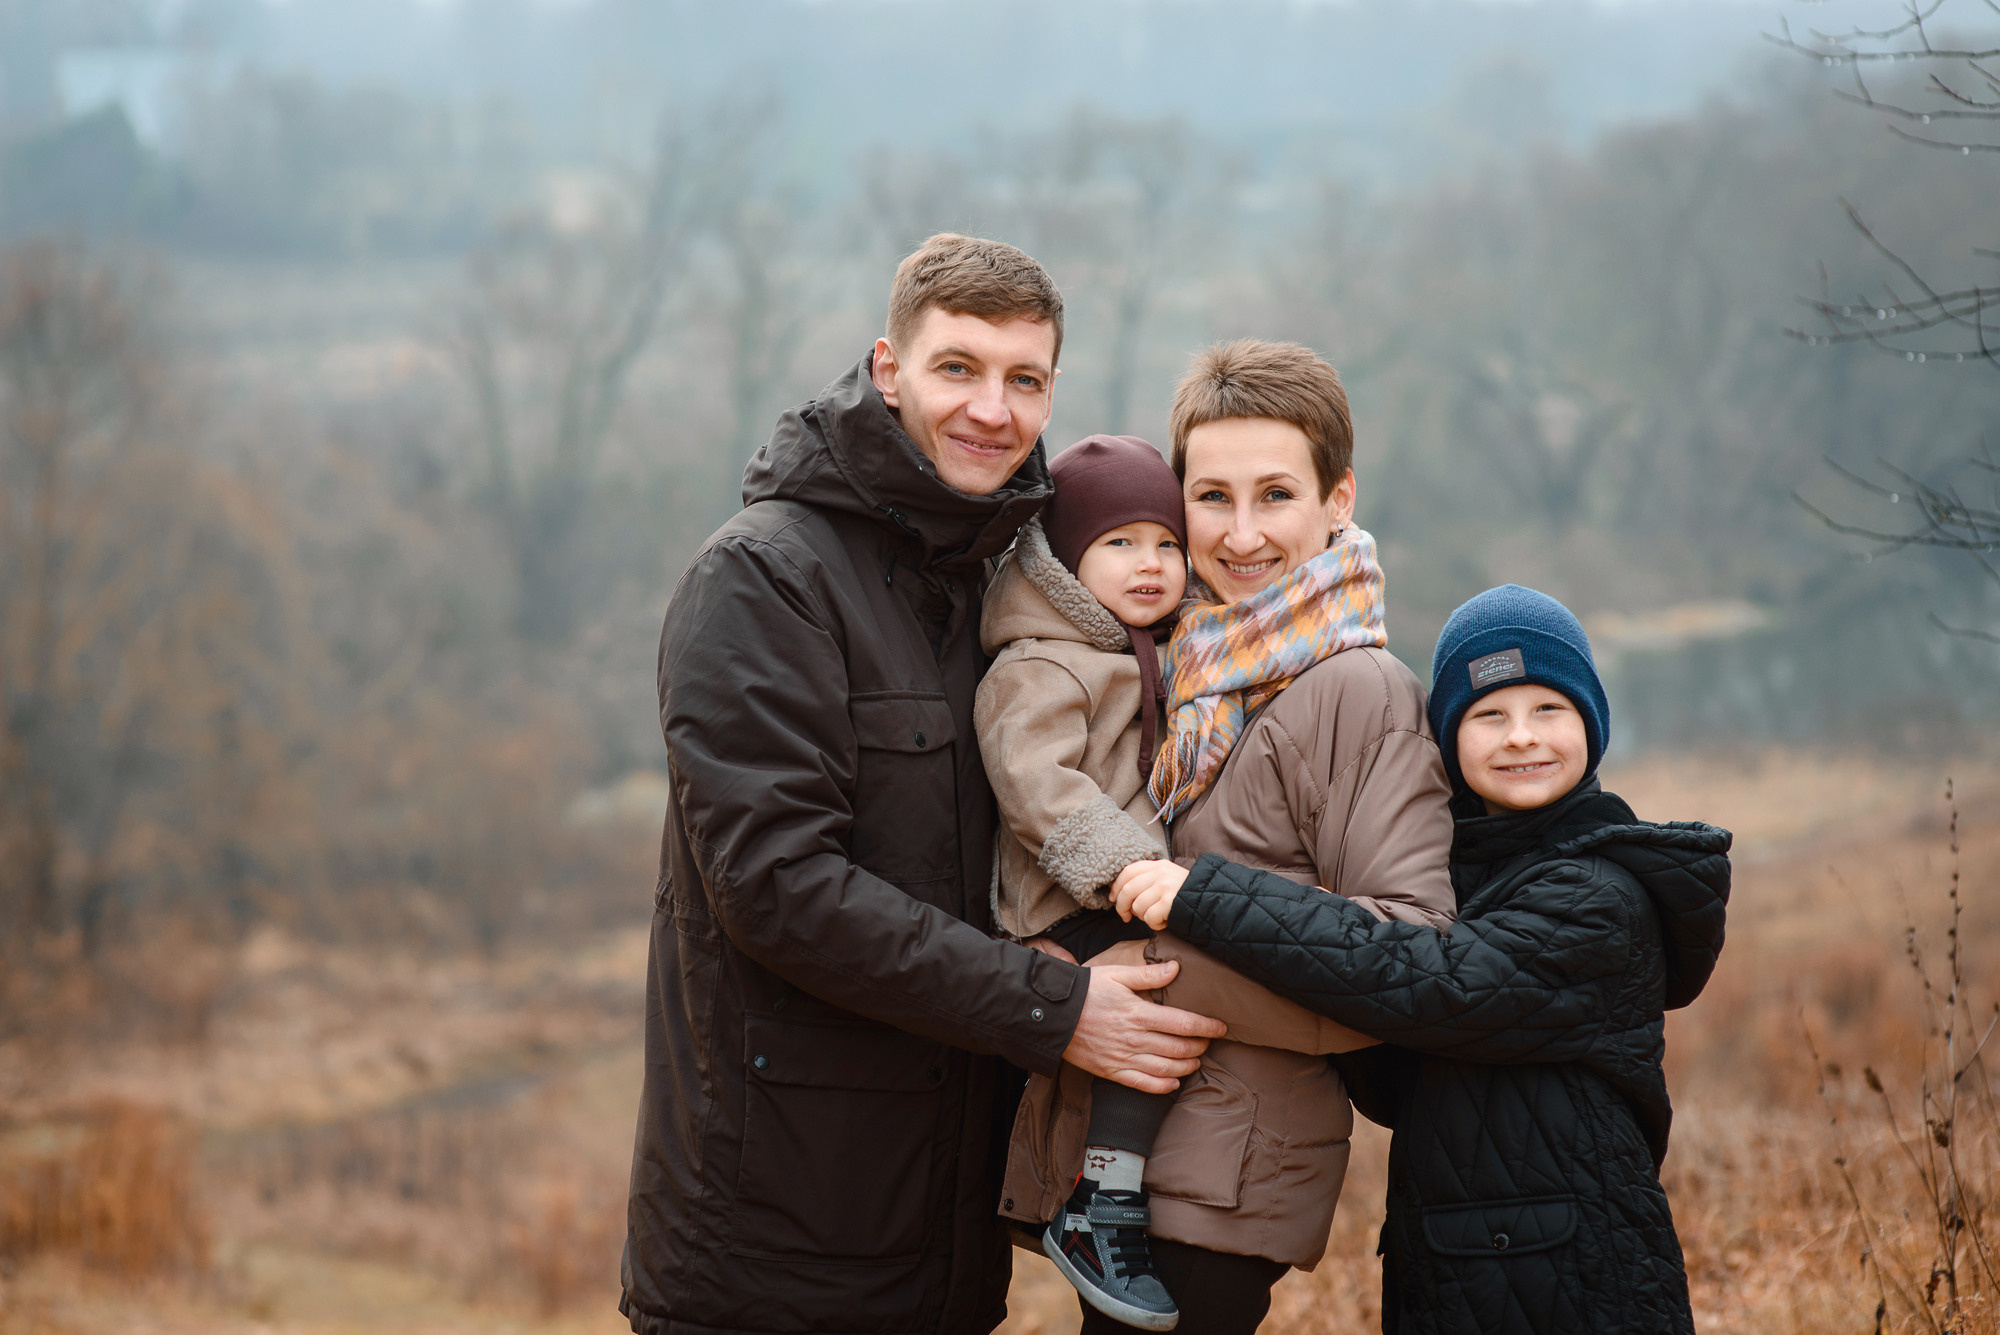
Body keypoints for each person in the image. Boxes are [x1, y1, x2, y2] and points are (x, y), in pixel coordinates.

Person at [622, 233, 1226, 1335]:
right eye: (957, 367)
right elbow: (776, 891)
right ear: (888, 369)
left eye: (1023, 379)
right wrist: (1049, 1007)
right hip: (769, 1257)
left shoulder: (999, 599)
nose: (991, 409)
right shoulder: (762, 579)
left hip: (938, 1262)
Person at [1113, 584, 1732, 1335]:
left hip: (1575, 1281)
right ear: (1449, 735)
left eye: (1549, 709)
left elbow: (1429, 984)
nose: (1520, 737)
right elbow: (1391, 1067)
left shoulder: (1597, 896)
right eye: (1488, 714)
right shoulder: (1467, 877)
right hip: (1461, 1265)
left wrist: (1209, 897)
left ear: (1591, 725)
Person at [1001, 340, 1458, 1335]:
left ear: (1338, 500)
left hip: (1225, 1179)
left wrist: (1149, 962)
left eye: (1274, 496)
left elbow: (1411, 957)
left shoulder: (1357, 693)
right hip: (1134, 1162)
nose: (1240, 533)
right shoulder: (1186, 661)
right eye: (1210, 497)